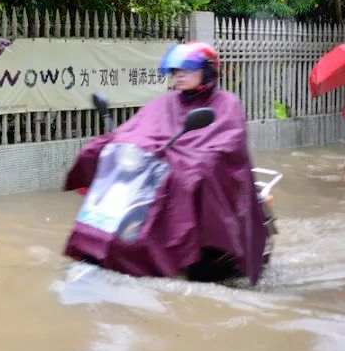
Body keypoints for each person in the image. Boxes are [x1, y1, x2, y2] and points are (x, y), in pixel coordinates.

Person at [63, 42, 269, 283]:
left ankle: (193, 255)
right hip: (161, 169)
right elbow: (140, 130)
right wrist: (114, 142)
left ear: (207, 71)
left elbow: (225, 146)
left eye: (187, 71)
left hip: (204, 175)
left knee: (190, 178)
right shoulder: (165, 102)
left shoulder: (226, 103)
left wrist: (188, 159)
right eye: (176, 72)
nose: (179, 76)